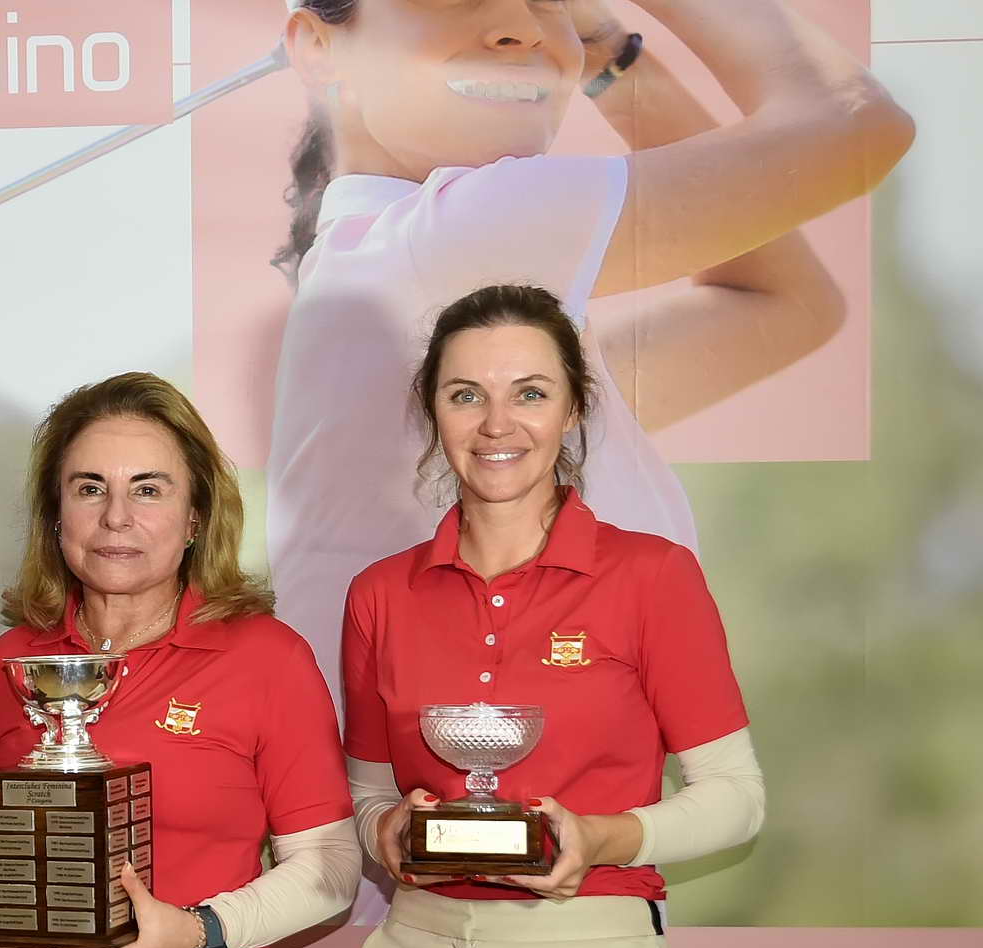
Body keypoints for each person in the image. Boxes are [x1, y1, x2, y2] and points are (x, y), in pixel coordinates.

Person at [269, 0, 915, 701]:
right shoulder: (452, 237)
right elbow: (856, 125)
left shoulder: (407, 292)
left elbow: (785, 306)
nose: (523, 25)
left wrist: (611, 58)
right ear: (319, 46)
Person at [342, 285, 766, 948]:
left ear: (574, 407)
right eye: (466, 394)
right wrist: (385, 829)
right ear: (432, 409)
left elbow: (737, 798)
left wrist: (602, 837)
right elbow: (367, 792)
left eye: (530, 392)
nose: (498, 423)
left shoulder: (652, 576)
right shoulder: (380, 593)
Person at [0, 372, 360, 948]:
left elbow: (332, 867)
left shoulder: (267, 658)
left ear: (196, 514)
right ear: (55, 513)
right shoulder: (13, 661)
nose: (116, 517)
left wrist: (196, 933)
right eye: (89, 487)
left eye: (148, 488)